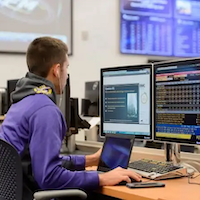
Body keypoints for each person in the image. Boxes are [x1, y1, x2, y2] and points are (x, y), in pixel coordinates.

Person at [0, 37, 141, 194]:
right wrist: (101, 178)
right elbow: (49, 177)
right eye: (66, 68)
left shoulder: (20, 103)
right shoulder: (45, 110)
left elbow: (39, 163)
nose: (66, 75)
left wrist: (90, 160)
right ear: (56, 70)